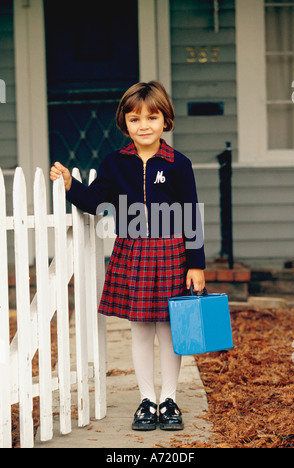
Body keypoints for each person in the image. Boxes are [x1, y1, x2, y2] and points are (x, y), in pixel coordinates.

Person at [50, 81, 206, 432]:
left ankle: (169, 400)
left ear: (166, 120)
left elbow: (191, 213)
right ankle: (147, 400)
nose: (145, 125)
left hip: (172, 253)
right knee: (141, 328)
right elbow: (95, 202)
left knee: (168, 329)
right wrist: (70, 186)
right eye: (135, 119)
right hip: (133, 251)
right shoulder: (114, 163)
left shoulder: (179, 164)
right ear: (125, 124)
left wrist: (196, 262)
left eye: (153, 117)